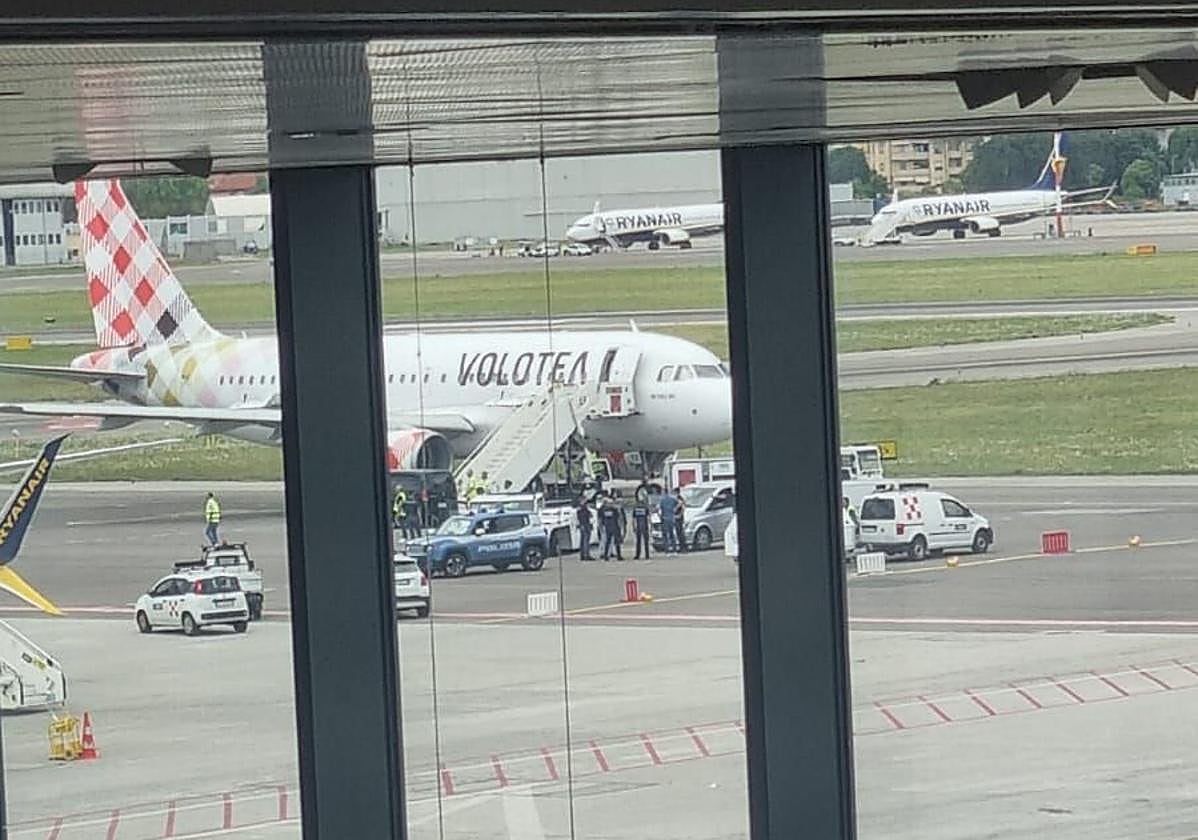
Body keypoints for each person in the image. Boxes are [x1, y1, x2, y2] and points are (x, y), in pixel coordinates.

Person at [599, 497, 623, 561]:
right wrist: (620, 525)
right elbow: (619, 518)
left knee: (608, 542)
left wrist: (601, 526)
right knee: (616, 542)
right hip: (614, 527)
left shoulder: (604, 510)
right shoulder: (614, 509)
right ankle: (619, 556)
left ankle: (606, 556)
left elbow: (601, 519)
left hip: (607, 527)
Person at [658, 489, 678, 553]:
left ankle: (667, 550)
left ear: (664, 493)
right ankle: (674, 550)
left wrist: (660, 516)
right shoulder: (672, 499)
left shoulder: (662, 500)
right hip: (671, 518)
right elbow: (680, 503)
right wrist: (675, 509)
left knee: (665, 535)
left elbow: (659, 509)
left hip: (665, 519)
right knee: (672, 535)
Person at [577, 495, 594, 561]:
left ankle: (582, 555)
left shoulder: (580, 508)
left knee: (583, 540)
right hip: (585, 525)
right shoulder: (583, 508)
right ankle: (586, 555)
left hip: (583, 525)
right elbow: (586, 516)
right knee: (586, 541)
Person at [673, 488, 687, 553]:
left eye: (674, 492)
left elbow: (683, 508)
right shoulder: (677, 499)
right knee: (679, 533)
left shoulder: (680, 499)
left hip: (679, 518)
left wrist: (679, 515)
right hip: (677, 518)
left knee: (680, 533)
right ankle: (682, 547)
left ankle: (683, 548)